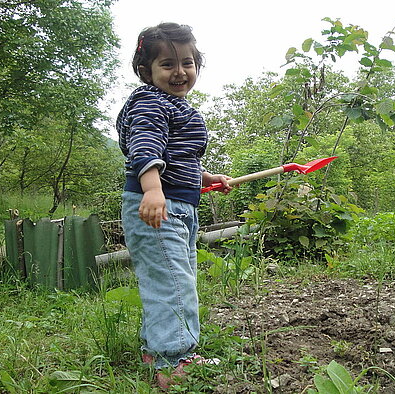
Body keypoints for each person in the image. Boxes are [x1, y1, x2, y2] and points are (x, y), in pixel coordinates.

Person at [116, 22, 232, 388]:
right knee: (173, 285)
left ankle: (159, 349)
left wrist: (205, 178)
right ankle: (176, 362)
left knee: (174, 280)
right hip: (157, 208)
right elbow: (146, 145)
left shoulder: (177, 106)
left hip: (180, 208)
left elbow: (179, 159)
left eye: (187, 62)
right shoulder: (150, 102)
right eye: (167, 64)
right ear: (145, 71)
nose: (180, 72)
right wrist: (152, 189)